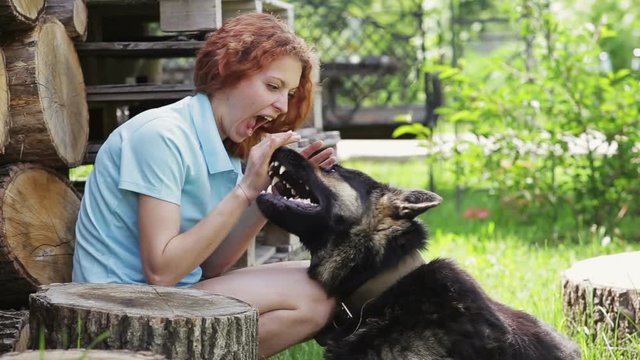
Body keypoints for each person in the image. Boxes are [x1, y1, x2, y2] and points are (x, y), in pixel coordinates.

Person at [72, 13, 337, 358]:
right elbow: (163, 271)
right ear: (228, 69)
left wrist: (269, 194)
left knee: (326, 280)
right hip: (115, 309)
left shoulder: (222, 148)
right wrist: (243, 191)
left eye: (287, 93)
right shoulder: (161, 136)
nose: (282, 106)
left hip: (165, 298)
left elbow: (210, 266)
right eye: (272, 87)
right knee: (314, 292)